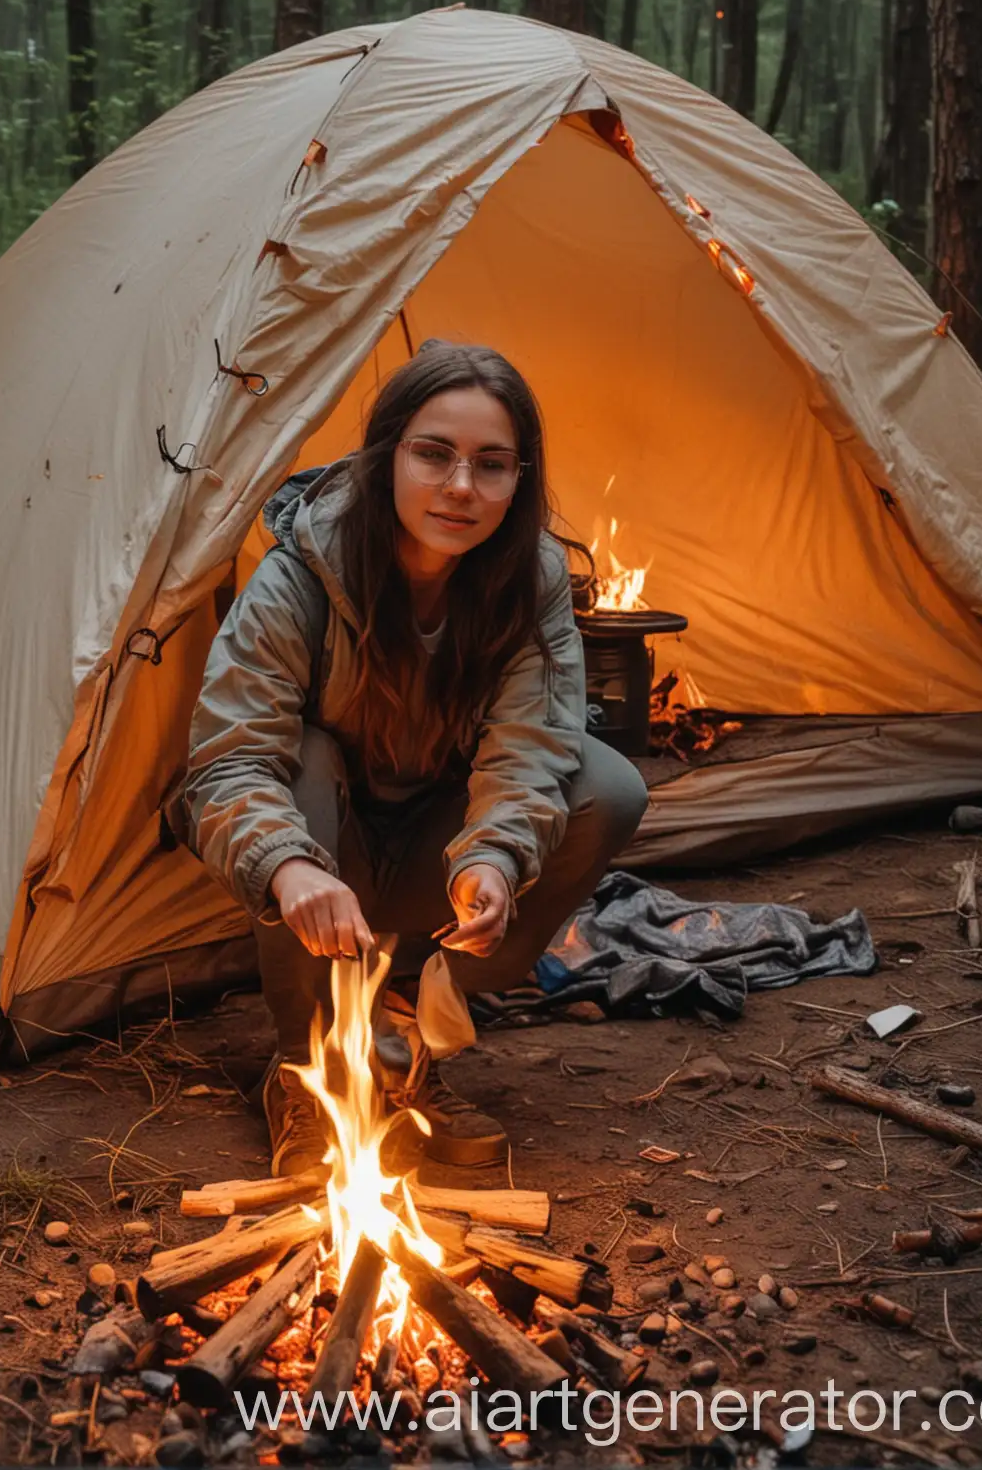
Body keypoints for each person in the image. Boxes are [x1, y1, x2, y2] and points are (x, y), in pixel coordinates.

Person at [182, 341, 649, 1174]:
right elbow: (227, 762)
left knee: (607, 785)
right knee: (304, 753)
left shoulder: (529, 580)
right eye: (434, 454)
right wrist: (287, 866)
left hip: (435, 836)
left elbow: (532, 745)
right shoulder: (302, 576)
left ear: (519, 480)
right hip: (329, 848)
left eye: (491, 465)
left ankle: (401, 1038)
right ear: (385, 455)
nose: (461, 487)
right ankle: (304, 1068)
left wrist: (496, 860)